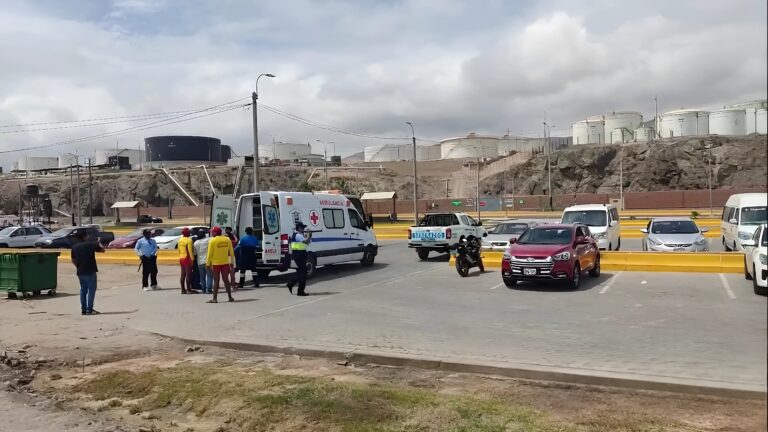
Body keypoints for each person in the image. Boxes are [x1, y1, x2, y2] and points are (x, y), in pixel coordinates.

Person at [70, 231, 105, 315]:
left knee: (83, 290)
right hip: (90, 270)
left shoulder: (74, 247)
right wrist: (98, 242)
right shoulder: (91, 244)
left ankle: (84, 309)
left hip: (80, 271)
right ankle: (90, 309)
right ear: (85, 236)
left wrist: (78, 266)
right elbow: (103, 250)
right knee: (91, 290)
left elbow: (73, 260)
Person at [205, 226, 235, 303]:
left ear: (215, 232)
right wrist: (232, 262)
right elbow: (231, 252)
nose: (211, 233)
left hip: (216, 264)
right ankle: (230, 297)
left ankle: (214, 299)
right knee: (226, 280)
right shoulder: (227, 239)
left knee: (216, 281)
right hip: (225, 263)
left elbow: (209, 254)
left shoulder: (212, 241)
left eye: (212, 232)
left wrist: (208, 264)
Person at [286, 222, 311, 296]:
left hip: (300, 254)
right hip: (299, 255)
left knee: (301, 272)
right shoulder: (298, 235)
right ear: (299, 228)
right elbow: (306, 241)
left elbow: (307, 243)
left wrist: (308, 237)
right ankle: (300, 291)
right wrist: (309, 235)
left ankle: (291, 284)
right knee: (303, 273)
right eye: (302, 228)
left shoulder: (299, 234)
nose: (303, 229)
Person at [177, 227, 197, 294]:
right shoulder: (189, 240)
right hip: (187, 258)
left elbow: (179, 250)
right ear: (188, 233)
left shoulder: (180, 240)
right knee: (188, 274)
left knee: (183, 274)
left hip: (181, 258)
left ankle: (183, 290)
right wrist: (192, 259)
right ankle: (189, 289)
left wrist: (181, 256)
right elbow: (190, 251)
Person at [193, 228, 213, 294]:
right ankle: (209, 289)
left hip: (199, 262)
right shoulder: (208, 240)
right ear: (204, 235)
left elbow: (195, 253)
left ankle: (203, 289)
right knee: (209, 276)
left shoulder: (195, 243)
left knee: (202, 277)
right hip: (207, 261)